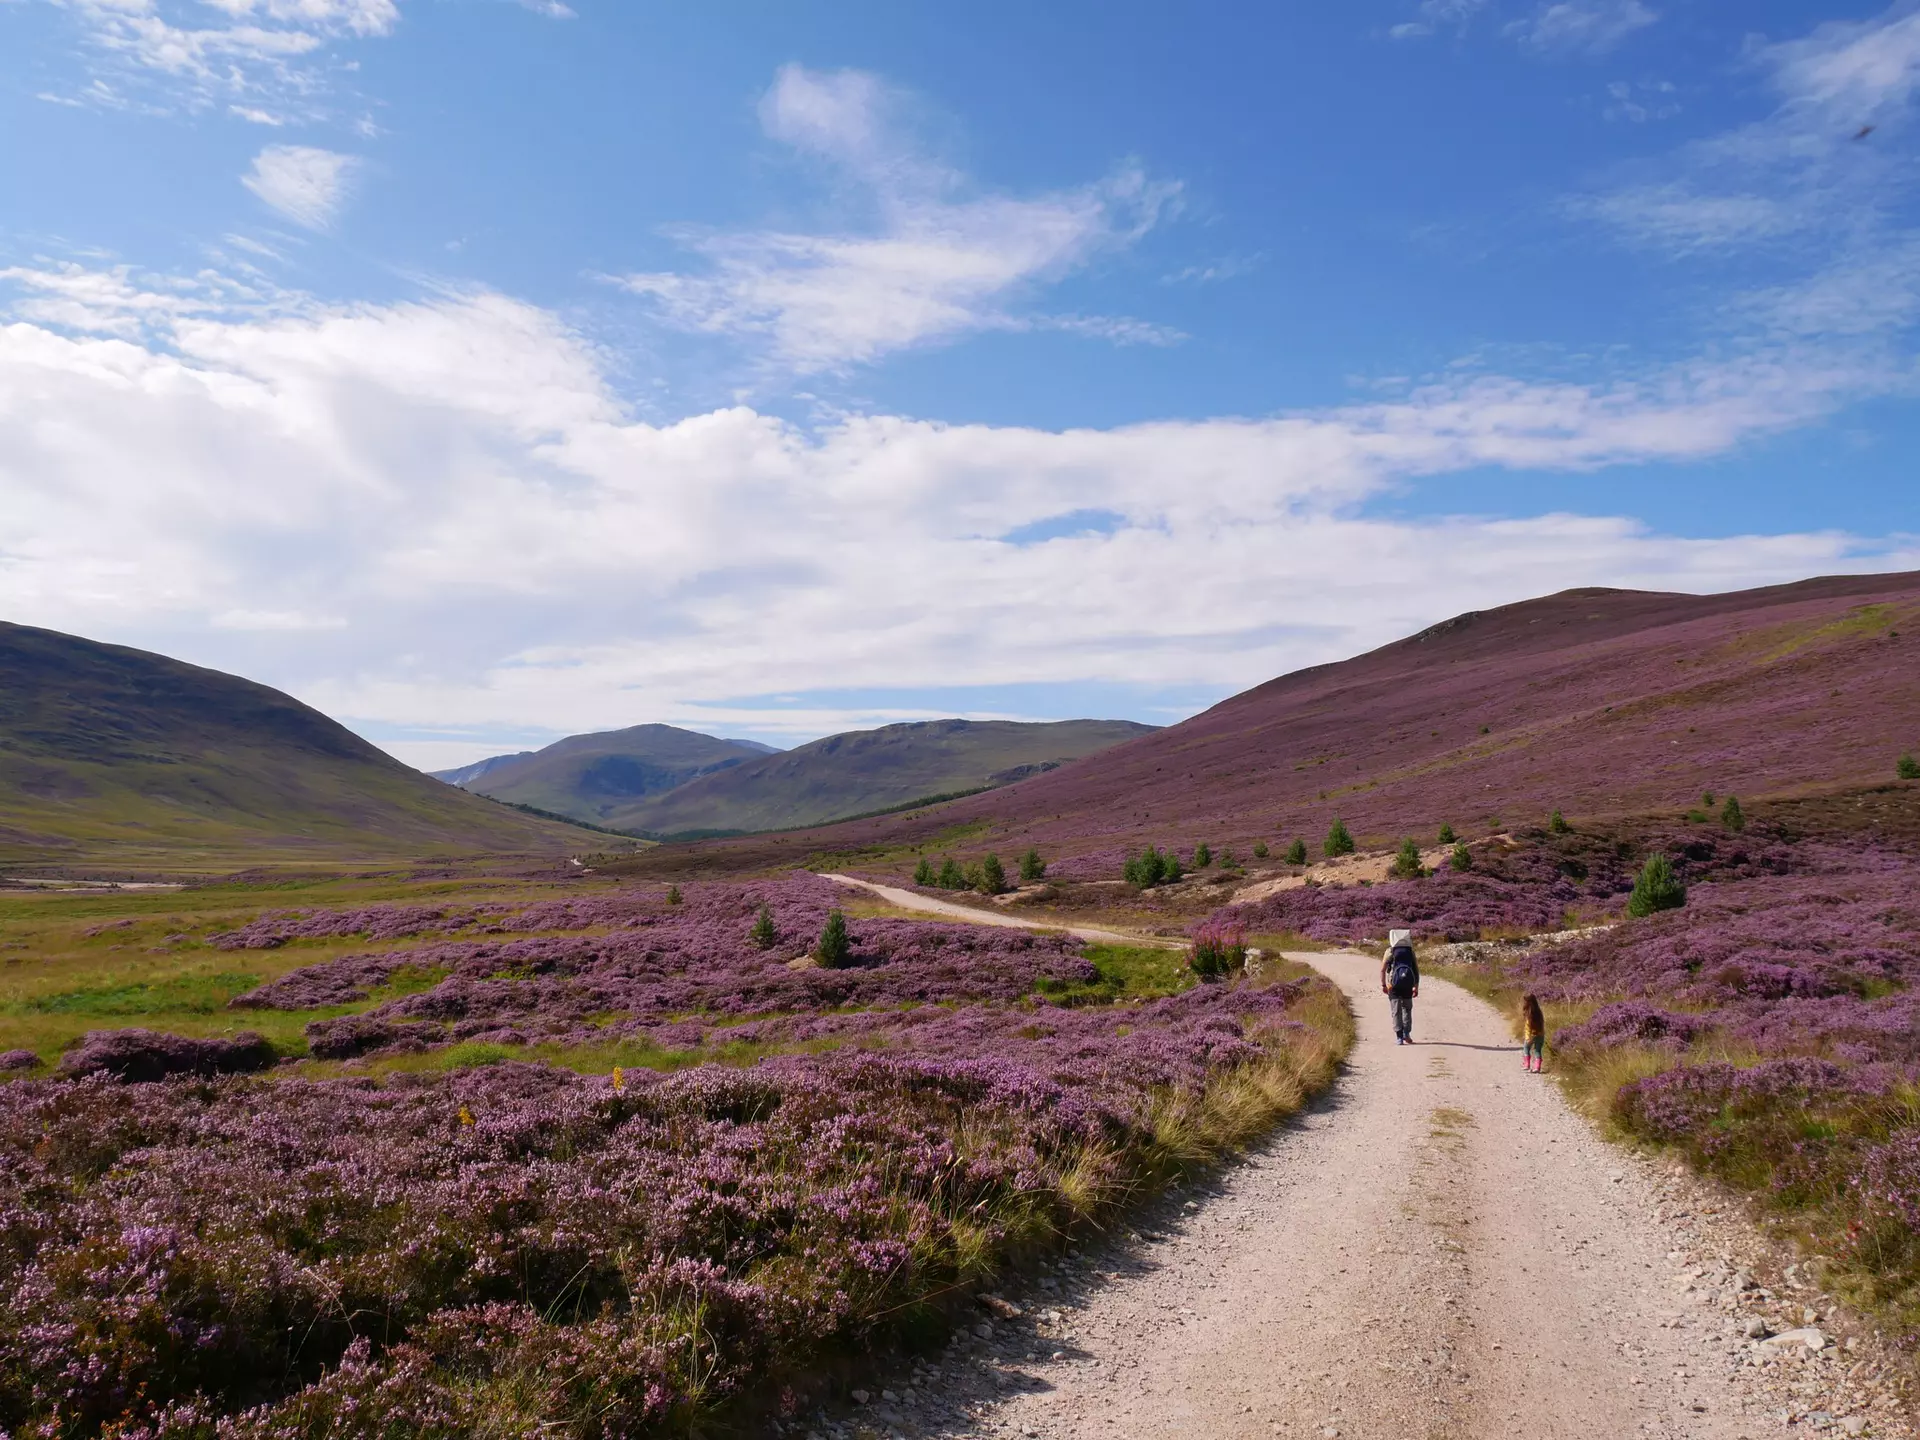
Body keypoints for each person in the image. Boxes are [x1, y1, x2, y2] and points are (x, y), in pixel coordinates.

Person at [1381, 928, 1419, 1045]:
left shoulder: (1390, 951)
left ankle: (1399, 1037)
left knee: (1396, 1011)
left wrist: (1384, 985)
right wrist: (1416, 987)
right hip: (1408, 984)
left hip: (1393, 985)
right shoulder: (1410, 952)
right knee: (1407, 1009)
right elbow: (1416, 970)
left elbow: (1382, 970)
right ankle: (1406, 1034)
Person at [1521, 994, 1547, 1072]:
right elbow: (1542, 1024)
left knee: (1526, 1048)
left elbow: (1528, 1027)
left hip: (1531, 1035)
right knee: (1537, 1051)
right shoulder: (1539, 1012)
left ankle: (1527, 1064)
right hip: (1540, 1034)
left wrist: (1528, 1037)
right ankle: (1537, 1067)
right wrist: (1541, 1033)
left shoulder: (1529, 1014)